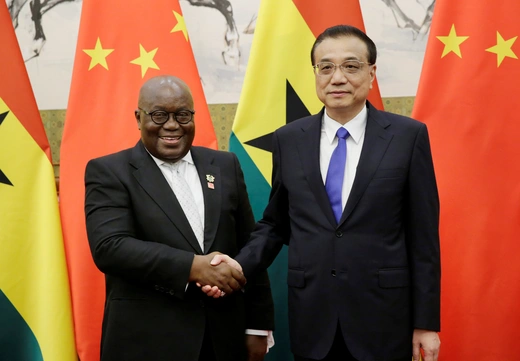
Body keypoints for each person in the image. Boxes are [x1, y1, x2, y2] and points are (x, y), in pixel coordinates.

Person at [207, 25, 441, 361]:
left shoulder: (408, 137)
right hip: (313, 315)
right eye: (326, 67)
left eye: (351, 66)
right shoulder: (288, 139)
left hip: (384, 318)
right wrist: (237, 267)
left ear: (372, 73)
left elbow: (424, 239)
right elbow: (275, 224)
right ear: (315, 74)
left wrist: (426, 324)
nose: (338, 78)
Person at [84, 75, 274, 361]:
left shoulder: (224, 165)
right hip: (147, 341)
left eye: (182, 115)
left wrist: (258, 327)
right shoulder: (109, 171)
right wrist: (193, 267)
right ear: (139, 118)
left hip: (223, 338)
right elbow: (110, 247)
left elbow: (248, 246)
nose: (172, 125)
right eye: (159, 115)